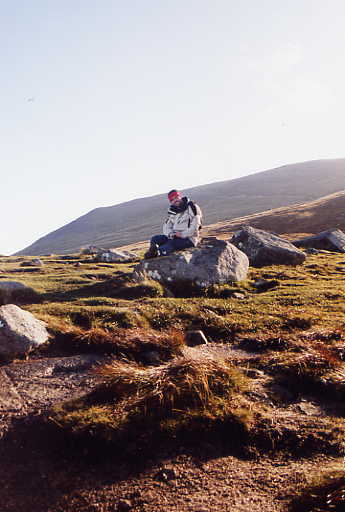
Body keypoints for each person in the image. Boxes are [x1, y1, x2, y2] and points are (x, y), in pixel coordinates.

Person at [144, 189, 203, 258]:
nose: (175, 200)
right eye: (172, 200)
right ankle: (153, 251)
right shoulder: (173, 211)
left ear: (180, 196)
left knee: (171, 244)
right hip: (175, 236)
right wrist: (171, 234)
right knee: (155, 239)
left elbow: (195, 226)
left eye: (176, 197)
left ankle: (158, 253)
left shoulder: (192, 207)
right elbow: (166, 226)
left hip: (189, 239)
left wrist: (182, 234)